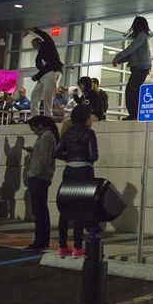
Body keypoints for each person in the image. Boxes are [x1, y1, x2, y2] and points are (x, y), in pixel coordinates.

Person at [54, 104, 98, 258]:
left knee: (65, 208)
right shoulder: (89, 133)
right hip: (84, 171)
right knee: (80, 208)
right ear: (85, 118)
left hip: (69, 171)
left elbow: (57, 152)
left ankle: (62, 246)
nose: (91, 119)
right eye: (90, 116)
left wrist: (71, 158)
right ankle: (77, 247)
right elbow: (94, 156)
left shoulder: (68, 134)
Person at [23, 115, 58, 251]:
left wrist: (31, 174)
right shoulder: (48, 136)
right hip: (42, 177)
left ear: (40, 125)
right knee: (40, 210)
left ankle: (40, 241)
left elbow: (43, 160)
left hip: (39, 178)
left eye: (33, 128)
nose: (33, 131)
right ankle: (41, 240)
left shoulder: (46, 137)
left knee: (39, 211)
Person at [112, 16, 152, 120]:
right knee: (132, 90)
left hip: (141, 68)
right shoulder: (141, 36)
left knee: (132, 91)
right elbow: (132, 53)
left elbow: (132, 48)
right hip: (140, 68)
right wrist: (120, 60)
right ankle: (134, 114)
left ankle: (134, 114)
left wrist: (118, 56)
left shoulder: (142, 36)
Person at [24, 28, 64, 117]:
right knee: (35, 94)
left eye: (34, 44)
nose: (33, 46)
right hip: (46, 74)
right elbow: (40, 65)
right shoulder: (40, 54)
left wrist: (33, 30)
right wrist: (38, 75)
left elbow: (45, 35)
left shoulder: (48, 45)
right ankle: (35, 116)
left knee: (47, 94)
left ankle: (48, 115)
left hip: (53, 71)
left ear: (39, 42)